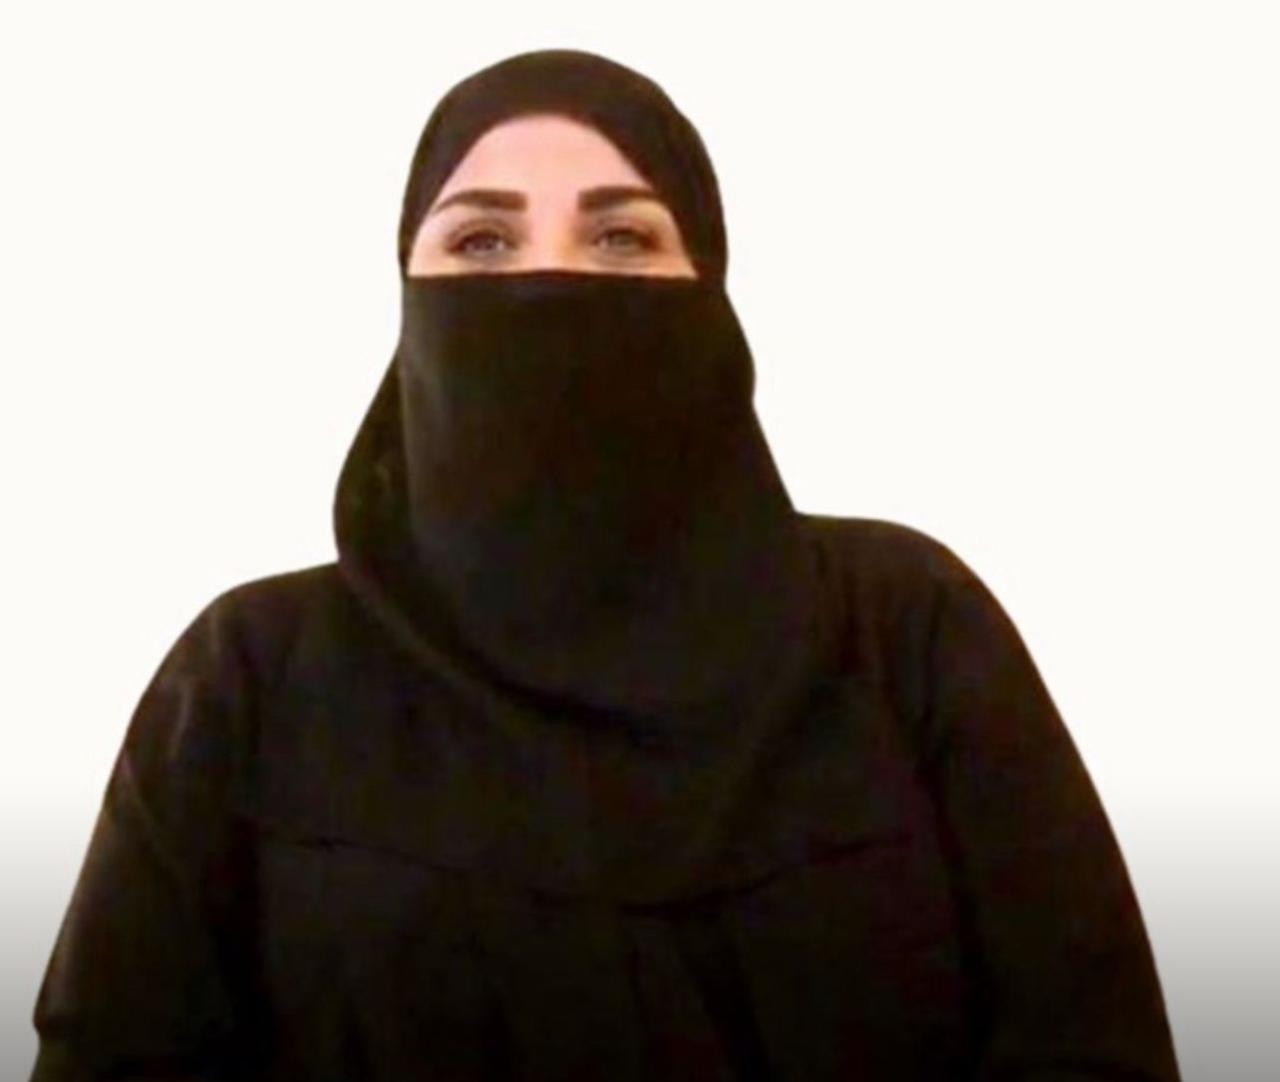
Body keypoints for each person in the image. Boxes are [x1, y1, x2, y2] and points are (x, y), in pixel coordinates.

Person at [30, 48, 1181, 1081]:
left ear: (707, 286)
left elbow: (1091, 1040)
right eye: (481, 241)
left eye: (622, 237)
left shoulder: (903, 628)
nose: (548, 283)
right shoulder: (252, 675)